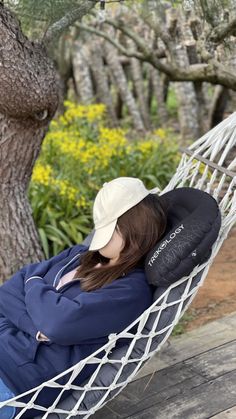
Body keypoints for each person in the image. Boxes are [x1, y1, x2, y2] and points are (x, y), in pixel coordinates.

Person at [0, 177, 168, 418]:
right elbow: (7, 293)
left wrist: (33, 283)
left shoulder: (129, 291)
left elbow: (57, 323)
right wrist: (33, 325)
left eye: (109, 230)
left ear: (133, 229)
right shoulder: (80, 255)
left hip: (16, 377)